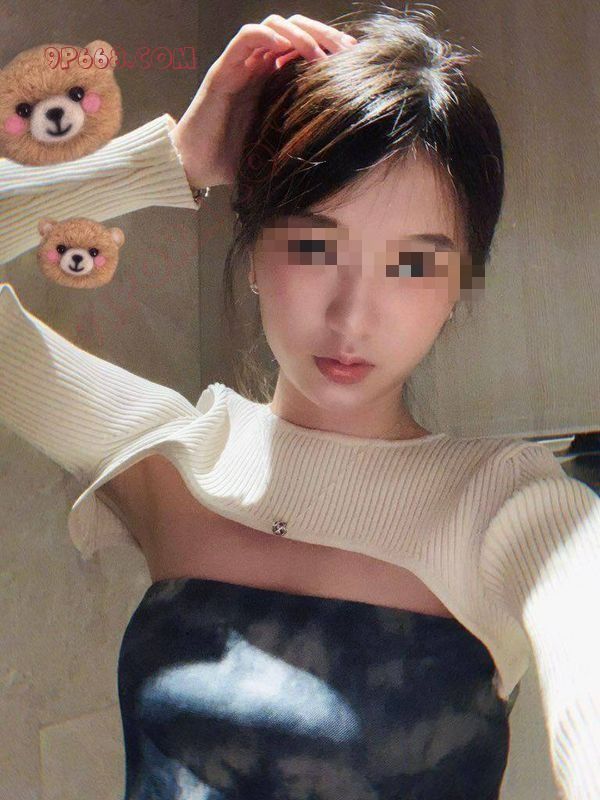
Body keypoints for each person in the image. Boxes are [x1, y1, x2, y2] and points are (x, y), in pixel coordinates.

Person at [1, 7, 599, 799]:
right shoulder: (173, 457)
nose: (353, 315)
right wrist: (169, 159)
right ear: (253, 250)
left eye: (414, 266)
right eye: (315, 247)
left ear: (459, 286)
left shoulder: (512, 509)